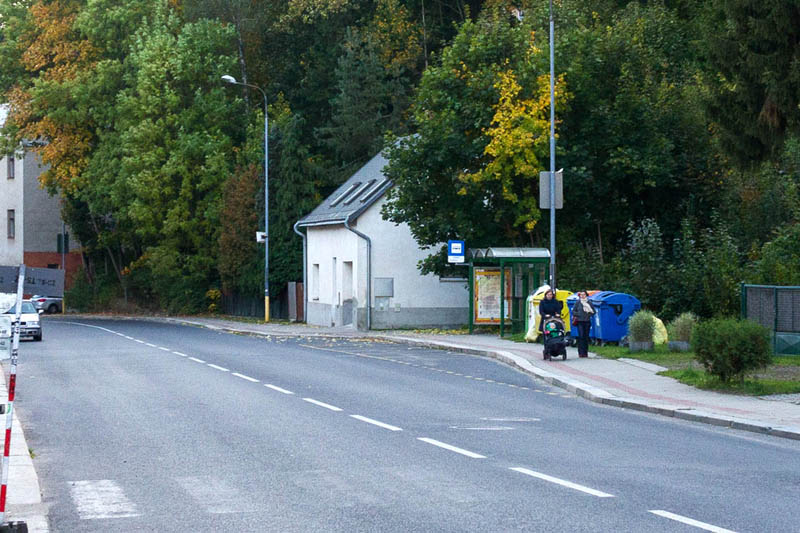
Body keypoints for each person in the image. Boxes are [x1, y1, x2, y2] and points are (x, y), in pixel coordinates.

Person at [571, 290, 595, 358]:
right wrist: (579, 314)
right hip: (579, 321)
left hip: (587, 321)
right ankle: (580, 352)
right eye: (581, 295)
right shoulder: (578, 302)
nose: (582, 296)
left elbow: (593, 312)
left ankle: (585, 352)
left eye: (584, 294)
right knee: (581, 336)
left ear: (586, 295)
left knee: (586, 337)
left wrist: (588, 313)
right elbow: (573, 311)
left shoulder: (589, 302)